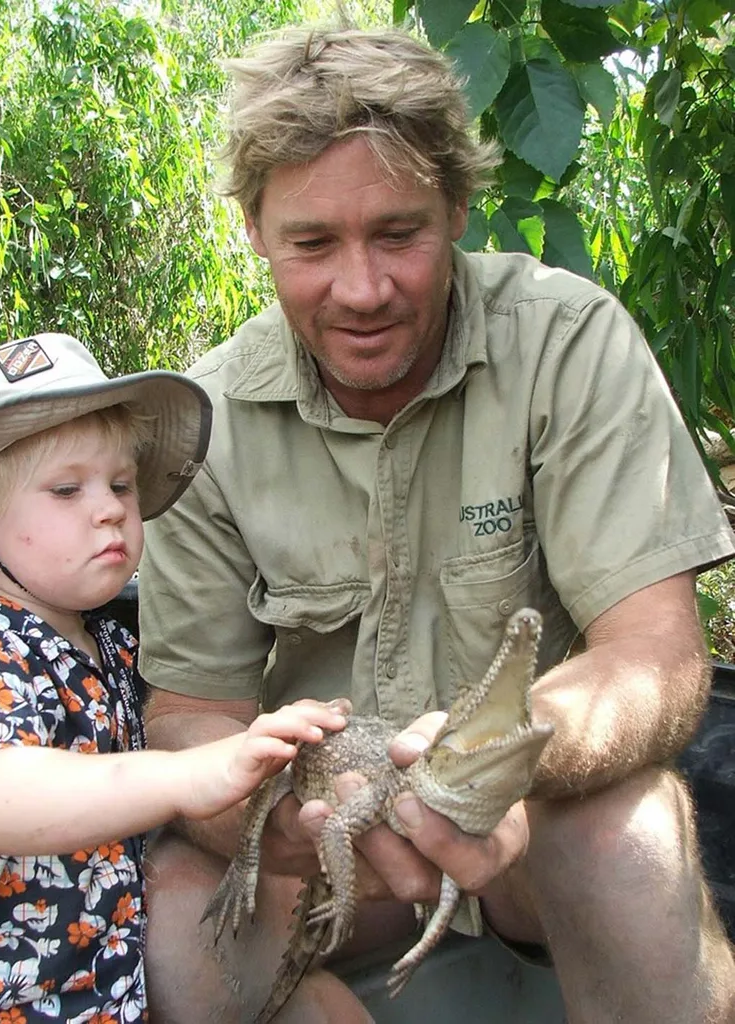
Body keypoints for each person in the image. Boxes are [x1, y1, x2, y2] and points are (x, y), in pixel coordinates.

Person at [134, 23, 735, 1024]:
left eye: (399, 233)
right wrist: (271, 819)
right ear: (254, 230)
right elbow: (190, 710)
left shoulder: (566, 344)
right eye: (313, 243)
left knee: (628, 835)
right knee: (168, 914)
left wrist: (495, 762)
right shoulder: (207, 424)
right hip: (330, 851)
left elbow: (656, 654)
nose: (361, 290)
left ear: (457, 207)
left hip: (529, 828)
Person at [0, 332, 351, 1022]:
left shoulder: (110, 644)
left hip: (96, 983)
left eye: (119, 485)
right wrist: (188, 776)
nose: (108, 509)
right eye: (66, 490)